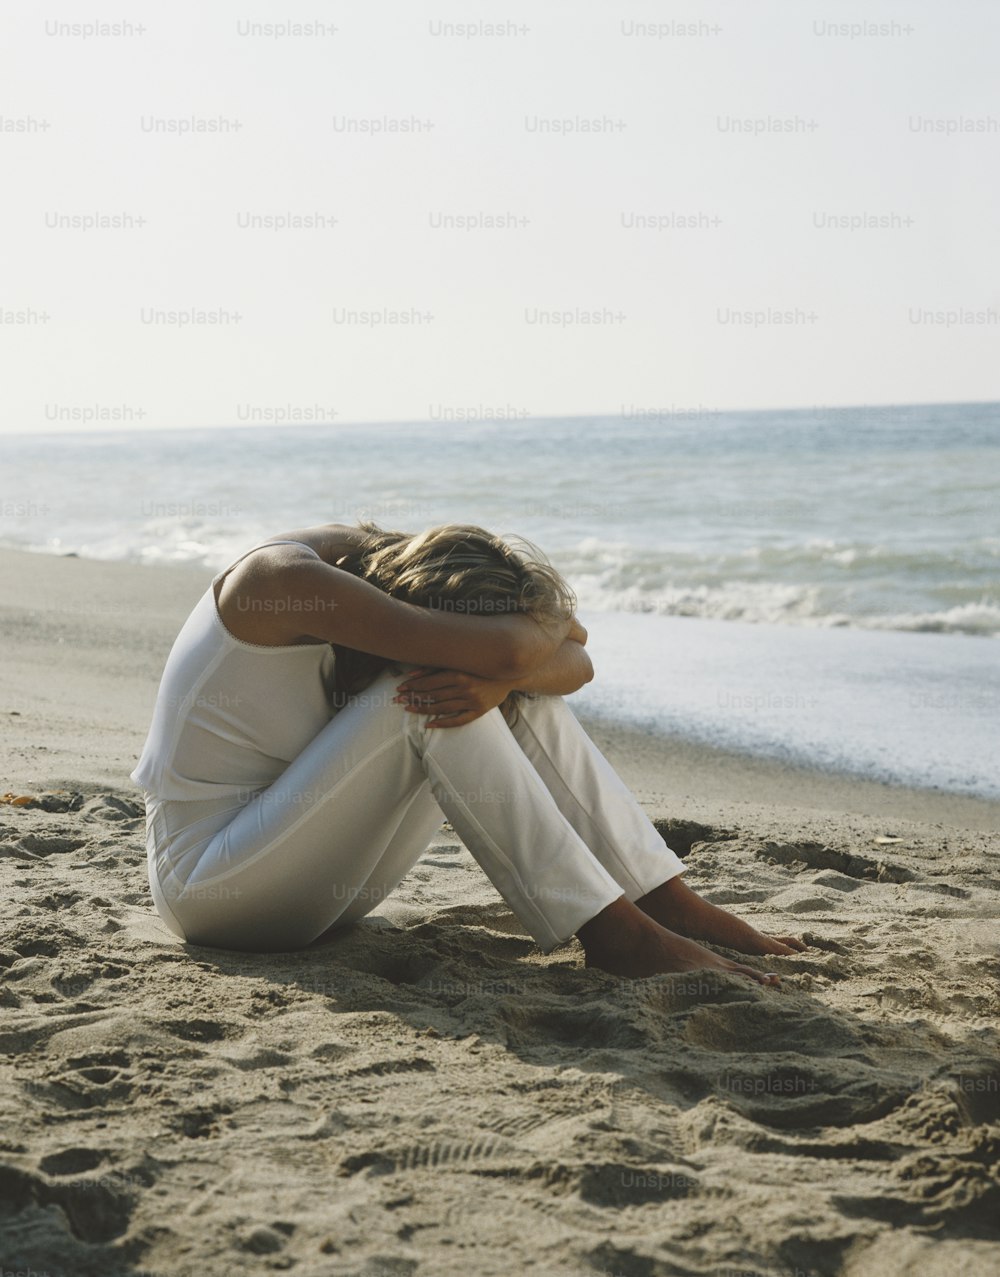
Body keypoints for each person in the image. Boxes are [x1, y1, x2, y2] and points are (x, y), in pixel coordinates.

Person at [131, 521, 806, 984]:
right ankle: (615, 934)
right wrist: (505, 664)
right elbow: (523, 649)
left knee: (495, 690)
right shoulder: (280, 582)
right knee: (423, 694)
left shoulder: (401, 563)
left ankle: (663, 901)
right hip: (215, 885)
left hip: (323, 879)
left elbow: (576, 657)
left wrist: (503, 675)